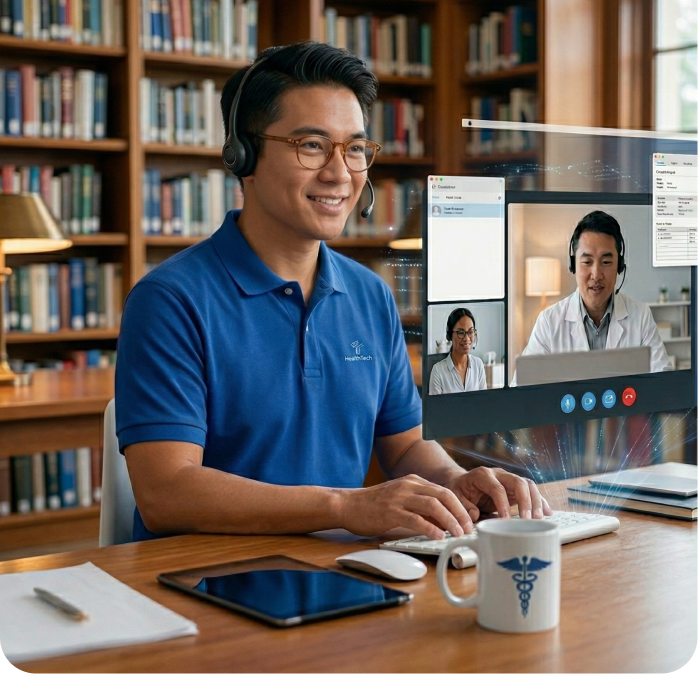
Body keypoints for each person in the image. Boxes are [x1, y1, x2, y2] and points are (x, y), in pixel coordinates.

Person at [115, 41, 551, 544]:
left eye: (356, 148)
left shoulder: (370, 294)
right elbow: (166, 492)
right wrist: (345, 505)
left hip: (342, 576)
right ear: (244, 155)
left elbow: (405, 446)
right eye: (312, 146)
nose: (340, 172)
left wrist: (456, 483)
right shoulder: (169, 300)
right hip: (209, 586)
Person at [519, 210, 671, 372]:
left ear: (619, 266)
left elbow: (663, 380)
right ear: (573, 266)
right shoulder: (549, 322)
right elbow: (523, 390)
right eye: (587, 262)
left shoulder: (641, 316)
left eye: (606, 262)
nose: (596, 275)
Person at [429, 308, 487, 394]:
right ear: (450, 335)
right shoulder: (438, 370)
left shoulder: (478, 364)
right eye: (461, 332)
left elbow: (484, 402)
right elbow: (436, 406)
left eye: (470, 332)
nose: (467, 339)